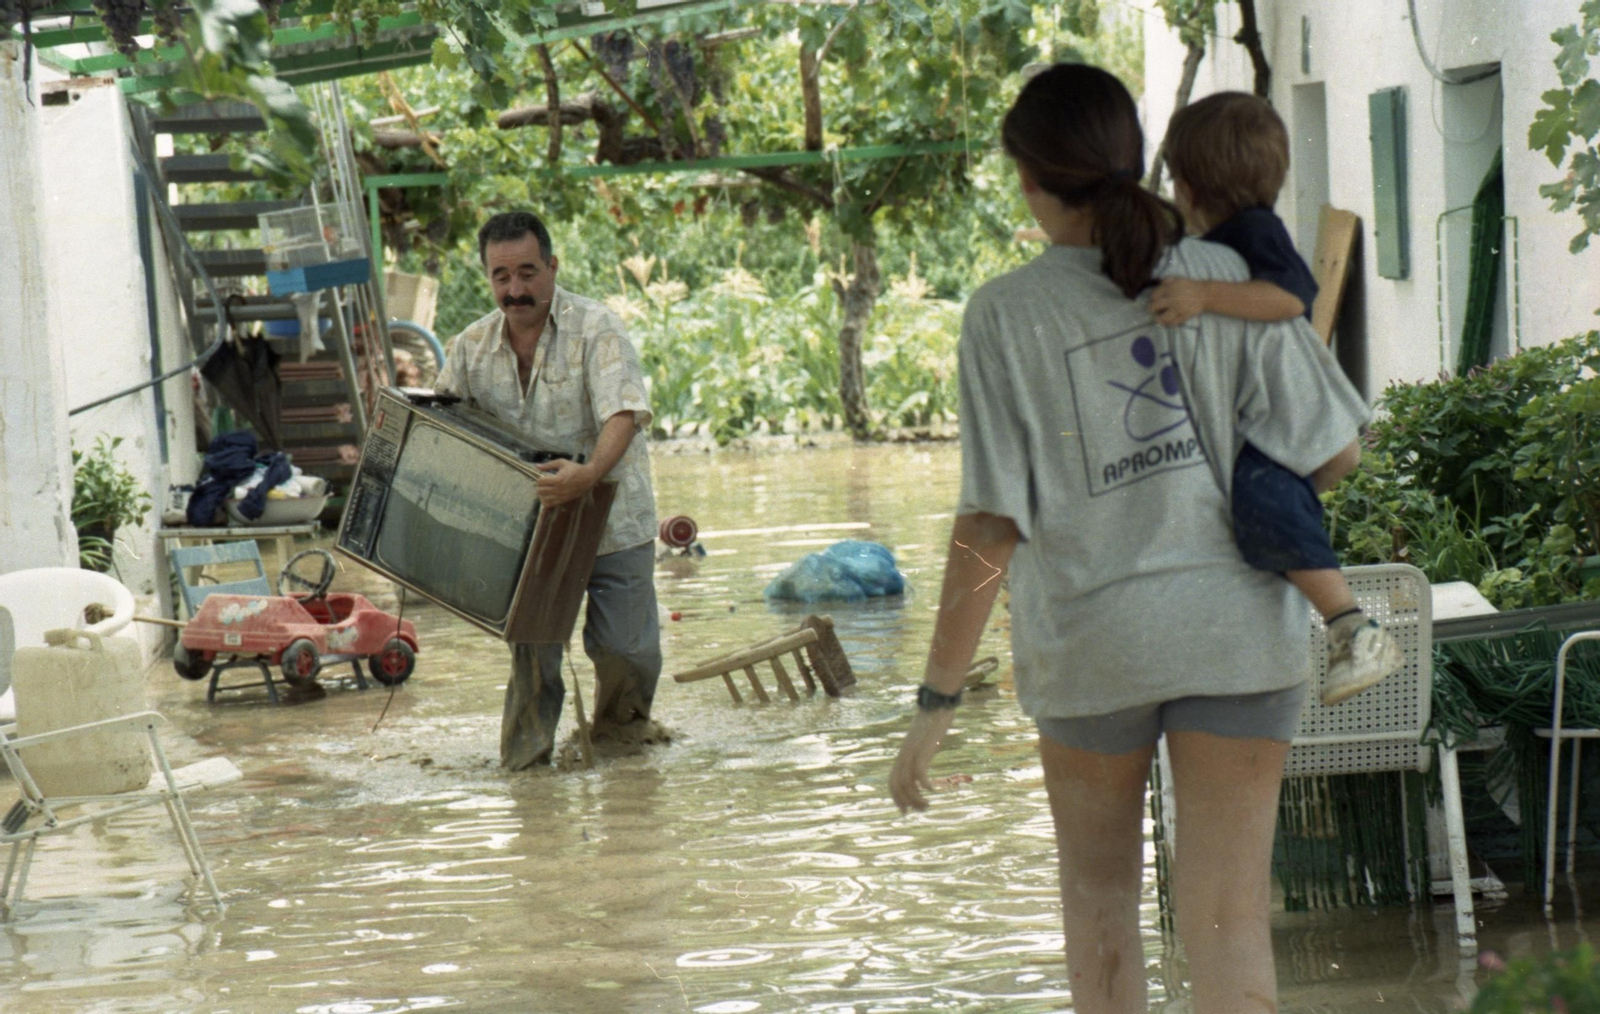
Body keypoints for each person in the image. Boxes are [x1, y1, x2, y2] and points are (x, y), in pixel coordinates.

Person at [888, 65, 1371, 1014]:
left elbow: (991, 525)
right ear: (1132, 156)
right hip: (1236, 636)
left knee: (1101, 910)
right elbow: (1337, 455)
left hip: (1091, 646)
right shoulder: (1230, 276)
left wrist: (938, 699)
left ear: (1028, 179)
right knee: (1230, 921)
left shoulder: (1004, 315)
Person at [1148, 90, 1402, 705]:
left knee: (1260, 502)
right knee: (1263, 519)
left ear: (1189, 185)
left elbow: (1291, 298)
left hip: (1296, 417)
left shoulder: (1255, 232)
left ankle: (1353, 626)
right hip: (1299, 413)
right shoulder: (1231, 235)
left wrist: (1202, 296)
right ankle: (1325, 596)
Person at [434, 211, 662, 769]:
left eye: (528, 273)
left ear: (553, 267)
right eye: (501, 277)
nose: (516, 291)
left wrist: (587, 475)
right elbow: (444, 428)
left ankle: (622, 751)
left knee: (626, 651)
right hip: (529, 531)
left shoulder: (597, 328)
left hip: (612, 516)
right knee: (533, 658)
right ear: (488, 277)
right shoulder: (468, 348)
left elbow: (625, 413)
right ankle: (527, 777)